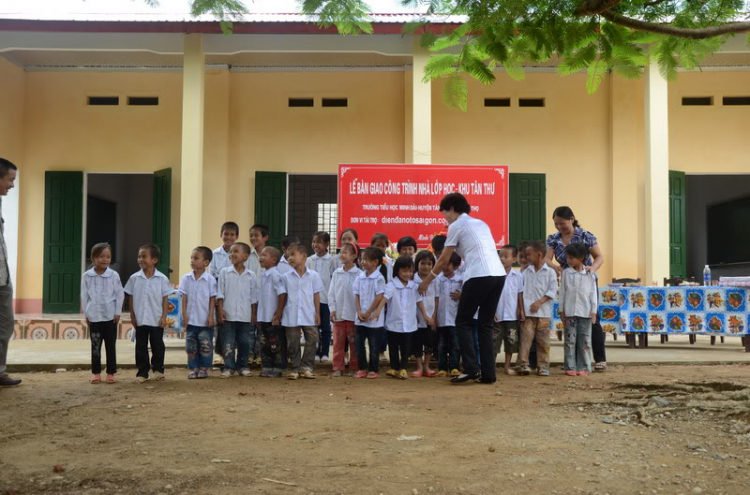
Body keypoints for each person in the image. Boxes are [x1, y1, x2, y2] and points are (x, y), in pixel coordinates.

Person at [418, 193, 506, 384]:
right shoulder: (481, 223)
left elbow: (443, 259)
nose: (445, 219)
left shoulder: (456, 225)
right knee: (485, 324)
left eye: (445, 214)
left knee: (463, 321)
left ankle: (472, 369)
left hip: (479, 275)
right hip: (498, 275)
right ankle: (488, 374)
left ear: (451, 209)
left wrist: (427, 281)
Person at [545, 206, 607, 371]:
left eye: (562, 223)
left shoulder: (586, 236)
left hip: (585, 280)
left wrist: (592, 268)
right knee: (570, 322)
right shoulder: (553, 238)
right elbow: (547, 259)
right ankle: (572, 363)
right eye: (556, 224)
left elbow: (599, 256)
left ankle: (599, 359)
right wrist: (556, 268)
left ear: (572, 219)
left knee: (591, 319)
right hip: (567, 281)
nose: (559, 227)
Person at [125, 244, 172, 384]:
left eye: (144, 256)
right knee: (140, 346)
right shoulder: (134, 278)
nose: (140, 259)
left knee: (158, 345)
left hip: (156, 319)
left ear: (154, 260)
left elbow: (165, 299)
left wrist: (164, 316)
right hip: (140, 319)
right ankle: (142, 372)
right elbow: (131, 297)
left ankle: (158, 370)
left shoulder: (162, 279)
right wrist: (132, 316)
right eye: (139, 256)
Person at [277, 244, 323, 380]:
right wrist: (279, 314)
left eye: (293, 254)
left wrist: (317, 313)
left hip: (309, 314)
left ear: (303, 257)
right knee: (293, 343)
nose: (289, 258)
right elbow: (282, 297)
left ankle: (307, 367)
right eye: (288, 255)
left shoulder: (313, 276)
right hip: (291, 315)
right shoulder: (285, 277)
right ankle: (295, 368)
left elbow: (316, 295)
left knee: (313, 339)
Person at [81, 243, 124, 384]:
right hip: (94, 316)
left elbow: (119, 295)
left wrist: (117, 312)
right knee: (95, 346)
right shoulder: (87, 276)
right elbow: (84, 296)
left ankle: (111, 373)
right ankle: (96, 373)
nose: (105, 259)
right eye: (101, 256)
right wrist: (86, 314)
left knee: (110, 346)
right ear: (93, 258)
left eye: (108, 257)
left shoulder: (114, 275)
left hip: (110, 317)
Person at [382, 256, 429, 380]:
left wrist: (425, 315)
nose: (407, 274)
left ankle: (403, 368)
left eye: (410, 271)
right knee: (392, 347)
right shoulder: (391, 285)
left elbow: (419, 302)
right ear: (397, 270)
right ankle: (394, 368)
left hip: (409, 324)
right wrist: (377, 312)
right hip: (393, 323)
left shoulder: (414, 286)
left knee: (406, 348)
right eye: (404, 271)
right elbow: (384, 299)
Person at [216, 242, 258, 378]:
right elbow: (220, 293)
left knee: (244, 342)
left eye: (236, 252)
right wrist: (220, 310)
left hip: (245, 315)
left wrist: (253, 314)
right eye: (231, 252)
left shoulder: (251, 275)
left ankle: (243, 365)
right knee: (228, 341)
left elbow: (253, 297)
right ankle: (228, 366)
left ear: (245, 256)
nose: (232, 254)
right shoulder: (224, 273)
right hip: (228, 314)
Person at [518, 241, 558, 377]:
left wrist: (539, 302)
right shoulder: (525, 272)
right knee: (525, 339)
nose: (526, 258)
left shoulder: (550, 272)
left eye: (529, 254)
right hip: (528, 314)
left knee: (543, 341)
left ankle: (543, 366)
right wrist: (521, 310)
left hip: (544, 314)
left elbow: (552, 291)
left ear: (539, 255)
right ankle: (523, 364)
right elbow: (520, 291)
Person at [558, 243, 598, 376]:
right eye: (567, 258)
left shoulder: (590, 274)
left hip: (585, 312)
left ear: (581, 258)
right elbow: (562, 292)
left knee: (585, 340)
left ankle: (584, 367)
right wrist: (561, 310)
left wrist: (593, 311)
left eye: (571, 258)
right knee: (570, 340)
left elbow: (593, 293)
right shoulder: (566, 273)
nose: (568, 261)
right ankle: (570, 366)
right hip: (569, 312)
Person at [180, 247, 217, 379]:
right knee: (191, 346)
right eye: (191, 258)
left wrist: (211, 316)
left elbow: (213, 298)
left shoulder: (210, 280)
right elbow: (184, 297)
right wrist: (184, 314)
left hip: (205, 321)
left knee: (205, 345)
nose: (192, 261)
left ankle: (203, 368)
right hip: (190, 320)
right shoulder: (186, 278)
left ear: (206, 262)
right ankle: (193, 368)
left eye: (196, 258)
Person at [209, 221, 241, 367]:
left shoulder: (240, 253)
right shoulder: (215, 254)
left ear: (237, 236)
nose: (228, 237)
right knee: (221, 325)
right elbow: (213, 275)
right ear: (220, 235)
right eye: (226, 234)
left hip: (236, 294)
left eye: (232, 234)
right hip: (220, 294)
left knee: (236, 325)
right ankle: (219, 354)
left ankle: (233, 354)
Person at [328, 242, 361, 377]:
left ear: (354, 256)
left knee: (354, 343)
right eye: (340, 252)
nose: (341, 254)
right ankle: (338, 367)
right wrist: (333, 309)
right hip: (339, 315)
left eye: (345, 252)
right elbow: (331, 293)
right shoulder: (337, 273)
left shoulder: (359, 274)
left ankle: (354, 366)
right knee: (338, 342)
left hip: (353, 315)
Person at [353, 247, 387, 379]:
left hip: (374, 320)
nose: (362, 262)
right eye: (361, 259)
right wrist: (359, 312)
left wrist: (368, 312)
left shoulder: (379, 278)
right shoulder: (359, 277)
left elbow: (379, 296)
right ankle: (362, 368)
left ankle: (374, 369)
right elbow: (356, 295)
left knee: (374, 345)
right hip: (360, 318)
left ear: (375, 262)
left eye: (365, 259)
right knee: (359, 344)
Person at [0, 158, 20, 387]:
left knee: (5, 325)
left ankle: (0, 371)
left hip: (3, 278)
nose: (12, 185)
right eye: (10, 180)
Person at [257, 246, 286, 378]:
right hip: (263, 317)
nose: (260, 257)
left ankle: (277, 367)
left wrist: (278, 313)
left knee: (275, 343)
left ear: (274, 260)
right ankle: (267, 366)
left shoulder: (275, 275)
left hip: (272, 317)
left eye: (264, 255)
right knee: (264, 343)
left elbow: (282, 294)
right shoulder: (263, 275)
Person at [307, 231, 336, 364]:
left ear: (327, 244)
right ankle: (315, 352)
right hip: (311, 300)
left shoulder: (332, 261)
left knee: (325, 327)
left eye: (319, 242)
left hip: (325, 299)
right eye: (314, 241)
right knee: (313, 328)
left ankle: (324, 353)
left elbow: (334, 280)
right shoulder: (309, 260)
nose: (315, 244)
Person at [494, 245, 522, 376]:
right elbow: (490, 295)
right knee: (494, 342)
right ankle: (491, 366)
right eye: (501, 256)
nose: (502, 259)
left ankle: (507, 366)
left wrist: (520, 309)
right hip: (497, 316)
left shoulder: (517, 275)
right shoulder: (494, 275)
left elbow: (519, 294)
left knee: (511, 342)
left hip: (511, 316)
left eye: (506, 256)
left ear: (514, 259)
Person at [435, 253, 462, 377]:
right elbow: (435, 299)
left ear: (455, 266)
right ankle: (442, 368)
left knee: (455, 345)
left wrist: (461, 296)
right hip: (441, 318)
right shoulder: (437, 279)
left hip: (455, 319)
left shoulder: (460, 280)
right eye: (443, 263)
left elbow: (466, 296)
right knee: (442, 345)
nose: (445, 266)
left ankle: (454, 367)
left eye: (449, 264)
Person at [412, 250, 438, 378]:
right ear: (417, 264)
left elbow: (436, 298)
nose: (426, 267)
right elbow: (415, 300)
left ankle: (427, 366)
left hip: (430, 318)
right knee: (417, 343)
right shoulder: (413, 280)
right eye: (423, 263)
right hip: (416, 318)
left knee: (429, 343)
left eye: (429, 264)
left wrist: (434, 317)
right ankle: (419, 366)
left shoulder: (435, 280)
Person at [248, 223, 270, 365]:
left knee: (263, 329)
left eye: (256, 235)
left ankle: (261, 354)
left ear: (265, 237)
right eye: (251, 235)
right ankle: (250, 355)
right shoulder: (247, 255)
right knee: (250, 328)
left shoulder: (270, 255)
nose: (253, 238)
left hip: (265, 298)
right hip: (250, 298)